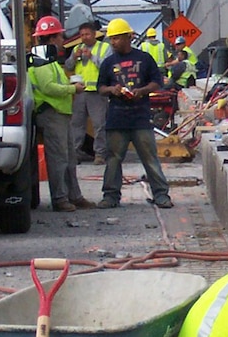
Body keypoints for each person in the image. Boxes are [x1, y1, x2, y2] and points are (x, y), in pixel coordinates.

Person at [96, 17, 173, 209]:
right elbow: (100, 87)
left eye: (116, 38)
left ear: (127, 37)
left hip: (140, 118)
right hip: (117, 119)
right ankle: (110, 196)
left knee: (150, 157)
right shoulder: (108, 63)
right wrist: (112, 90)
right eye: (111, 39)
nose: (113, 42)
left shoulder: (144, 59)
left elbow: (157, 82)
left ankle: (161, 195)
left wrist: (142, 91)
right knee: (114, 158)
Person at [28, 15, 95, 212]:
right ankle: (60, 198)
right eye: (59, 37)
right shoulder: (41, 61)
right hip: (51, 113)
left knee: (69, 158)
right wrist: (73, 89)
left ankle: (74, 196)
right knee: (58, 159)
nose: (61, 40)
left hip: (60, 113)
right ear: (52, 38)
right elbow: (48, 87)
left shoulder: (49, 60)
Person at [64, 21, 111, 165]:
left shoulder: (104, 47)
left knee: (99, 125)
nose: (84, 37)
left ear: (94, 34)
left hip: (97, 93)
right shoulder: (77, 48)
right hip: (80, 92)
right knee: (76, 124)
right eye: (82, 35)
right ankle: (75, 153)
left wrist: (92, 57)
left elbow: (106, 66)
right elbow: (68, 66)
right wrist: (74, 57)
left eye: (87, 34)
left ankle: (100, 154)